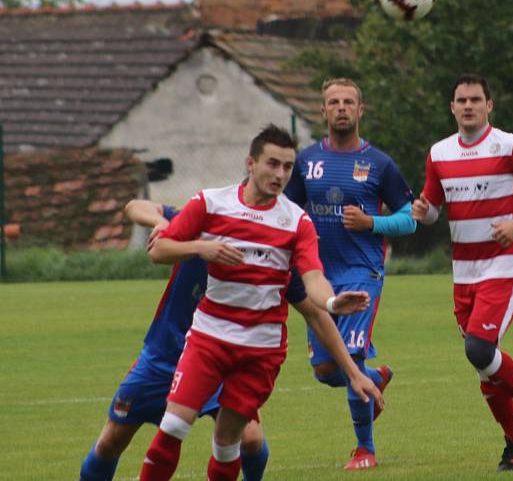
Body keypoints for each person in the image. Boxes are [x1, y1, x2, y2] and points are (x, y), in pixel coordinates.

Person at [138, 124, 383, 481]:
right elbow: (159, 249)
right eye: (273, 164)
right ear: (250, 163)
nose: (280, 174)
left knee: (227, 444)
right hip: (209, 339)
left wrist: (332, 301)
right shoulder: (210, 203)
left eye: (287, 167)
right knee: (173, 425)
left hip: (259, 353)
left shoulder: (296, 222)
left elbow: (313, 278)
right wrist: (203, 248)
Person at [412, 73, 513, 471]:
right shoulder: (439, 153)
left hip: (503, 265)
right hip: (463, 272)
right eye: (461, 100)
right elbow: (433, 210)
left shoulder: (511, 145)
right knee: (483, 364)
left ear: (489, 106)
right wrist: (424, 213)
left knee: (478, 348)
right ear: (452, 107)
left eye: (475, 99)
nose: (468, 106)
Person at [78, 199, 268, 481]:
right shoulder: (202, 223)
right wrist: (164, 225)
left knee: (250, 438)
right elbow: (134, 206)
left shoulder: (265, 249)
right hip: (164, 357)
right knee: (111, 442)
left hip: (216, 357)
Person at [283, 78, 416, 470]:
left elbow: (409, 220)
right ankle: (375, 377)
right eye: (333, 102)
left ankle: (365, 450)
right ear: (323, 112)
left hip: (362, 273)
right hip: (318, 279)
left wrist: (372, 222)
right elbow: (287, 214)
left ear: (361, 111)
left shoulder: (379, 163)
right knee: (326, 371)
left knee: (351, 358)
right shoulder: (306, 162)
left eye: (348, 102)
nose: (341, 108)